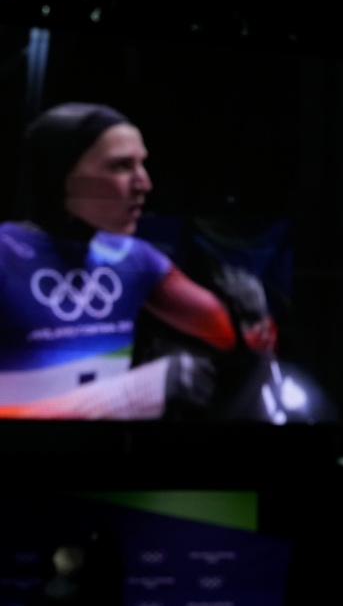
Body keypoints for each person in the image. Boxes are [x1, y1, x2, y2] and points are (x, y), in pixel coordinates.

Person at [0, 102, 237, 419]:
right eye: (121, 166)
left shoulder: (134, 255)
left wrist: (244, 312)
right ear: (59, 173)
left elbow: (230, 338)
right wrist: (128, 395)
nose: (144, 184)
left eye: (141, 164)